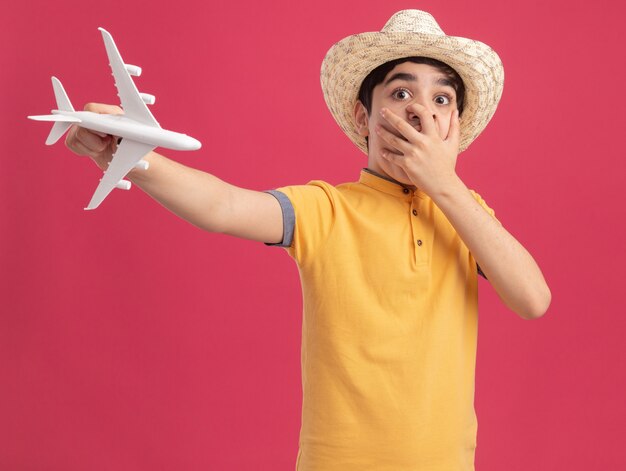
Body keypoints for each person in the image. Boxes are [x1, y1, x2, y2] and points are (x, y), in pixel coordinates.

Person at [65, 9, 551, 471]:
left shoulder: (468, 218)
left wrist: (445, 185)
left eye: (441, 99)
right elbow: (224, 207)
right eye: (401, 93)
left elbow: (532, 299)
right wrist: (131, 156)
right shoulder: (326, 209)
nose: (422, 109)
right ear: (364, 119)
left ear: (454, 127)